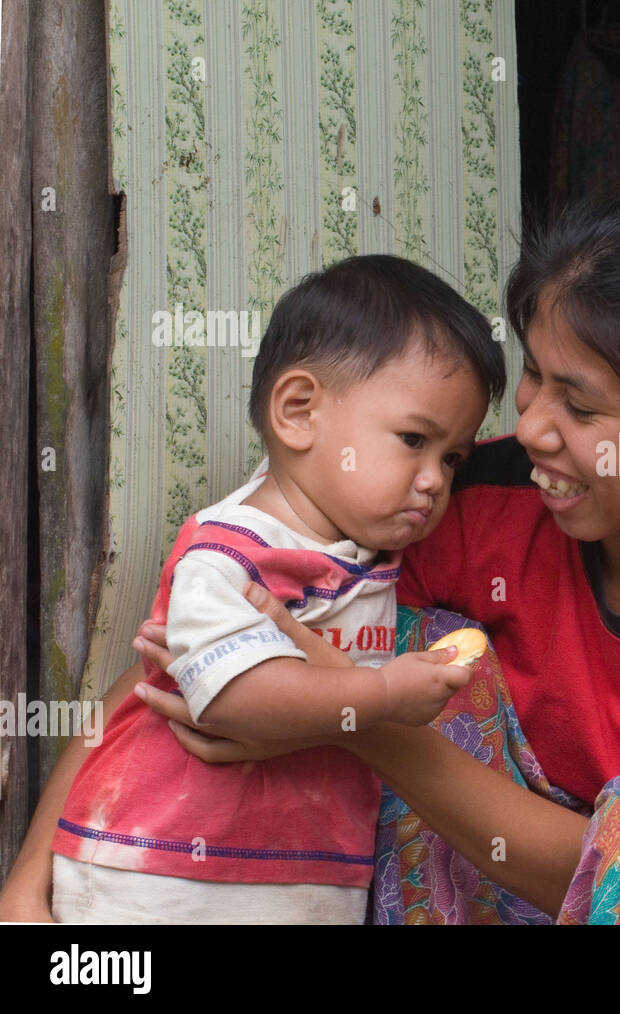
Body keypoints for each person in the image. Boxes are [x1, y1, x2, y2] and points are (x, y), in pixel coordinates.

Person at [1, 182, 620, 925]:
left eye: (581, 404)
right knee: (391, 632)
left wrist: (366, 718)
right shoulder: (481, 495)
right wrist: (28, 881)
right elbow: (188, 643)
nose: (529, 426)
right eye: (534, 376)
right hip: (464, 886)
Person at [47, 255, 504, 922]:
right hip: (162, 874)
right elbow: (232, 697)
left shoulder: (363, 552)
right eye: (414, 440)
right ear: (297, 412)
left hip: (298, 872)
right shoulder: (229, 552)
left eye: (453, 458)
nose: (436, 480)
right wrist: (381, 694)